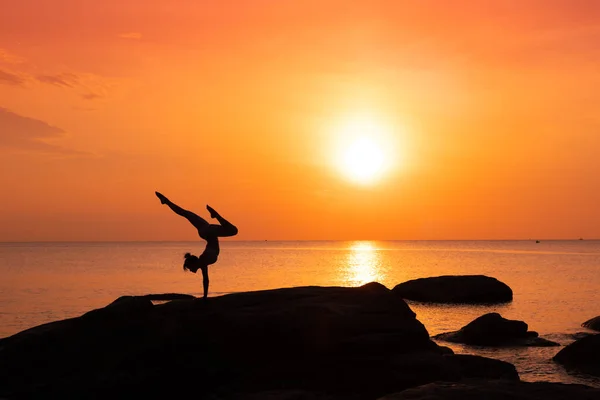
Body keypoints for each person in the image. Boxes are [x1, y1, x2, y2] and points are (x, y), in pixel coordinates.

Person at [155, 191, 238, 298]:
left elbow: (206, 280)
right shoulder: (203, 262)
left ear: (194, 264)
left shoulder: (203, 261)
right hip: (205, 231)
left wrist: (204, 297)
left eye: (189, 268)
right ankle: (165, 201)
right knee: (185, 213)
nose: (191, 271)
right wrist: (204, 297)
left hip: (208, 232)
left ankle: (216, 215)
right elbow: (206, 280)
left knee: (233, 231)